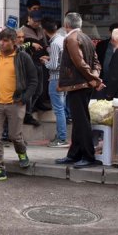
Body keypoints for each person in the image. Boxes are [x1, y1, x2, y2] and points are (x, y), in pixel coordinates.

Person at [0, 28, 38, 183]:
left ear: (14, 42)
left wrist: (24, 98)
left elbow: (33, 81)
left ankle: (22, 153)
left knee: (14, 136)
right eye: (1, 40)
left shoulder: (23, 57)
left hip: (15, 103)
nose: (2, 43)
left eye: (6, 41)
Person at [54, 12, 105, 168]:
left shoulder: (71, 38)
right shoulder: (86, 37)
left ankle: (88, 156)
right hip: (84, 84)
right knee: (78, 121)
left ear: (66, 25)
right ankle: (74, 154)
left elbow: (79, 63)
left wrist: (93, 80)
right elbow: (96, 63)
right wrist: (94, 78)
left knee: (81, 121)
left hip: (78, 85)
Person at [40, 17, 69, 147]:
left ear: (44, 30)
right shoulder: (63, 40)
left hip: (56, 79)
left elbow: (53, 66)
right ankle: (61, 136)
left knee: (58, 110)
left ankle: (61, 138)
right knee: (61, 108)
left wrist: (45, 61)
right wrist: (50, 58)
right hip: (64, 79)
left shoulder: (55, 43)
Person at [20, 11, 48, 125]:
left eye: (39, 21)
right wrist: (31, 44)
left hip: (40, 62)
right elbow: (18, 47)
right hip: (28, 64)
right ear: (29, 19)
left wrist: (48, 55)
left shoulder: (41, 30)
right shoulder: (22, 31)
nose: (37, 23)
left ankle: (30, 109)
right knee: (30, 90)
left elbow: (45, 45)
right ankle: (27, 114)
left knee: (39, 90)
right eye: (35, 21)